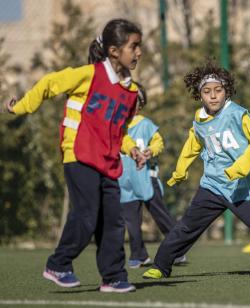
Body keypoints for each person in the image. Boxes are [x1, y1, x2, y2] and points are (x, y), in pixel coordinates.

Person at [3, 19, 147, 293]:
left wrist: (132, 149)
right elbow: (49, 83)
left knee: (113, 221)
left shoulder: (130, 93)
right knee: (86, 215)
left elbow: (119, 130)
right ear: (115, 51)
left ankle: (114, 276)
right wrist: (21, 107)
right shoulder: (89, 74)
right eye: (134, 46)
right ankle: (59, 263)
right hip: (79, 155)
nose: (139, 52)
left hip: (108, 162)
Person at [142, 60, 250, 280]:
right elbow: (193, 144)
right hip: (213, 185)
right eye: (207, 91)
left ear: (226, 91)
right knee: (186, 227)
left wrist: (240, 168)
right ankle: (161, 265)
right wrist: (180, 170)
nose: (213, 96)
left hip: (243, 186)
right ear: (199, 95)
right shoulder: (199, 119)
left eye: (218, 91)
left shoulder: (238, 114)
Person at [118, 82, 187, 268]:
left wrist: (150, 151)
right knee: (131, 220)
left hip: (147, 177)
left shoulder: (146, 124)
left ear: (140, 103)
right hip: (125, 180)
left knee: (160, 214)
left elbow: (159, 143)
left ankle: (178, 249)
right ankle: (139, 254)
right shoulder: (117, 125)